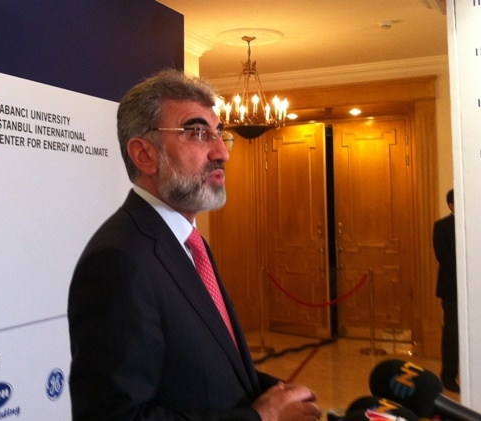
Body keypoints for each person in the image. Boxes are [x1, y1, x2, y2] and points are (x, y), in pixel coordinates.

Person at [67, 69, 320, 421]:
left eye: (219, 134)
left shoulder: (189, 241)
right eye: (198, 133)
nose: (222, 152)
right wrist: (262, 418)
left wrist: (274, 394)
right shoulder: (118, 261)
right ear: (144, 155)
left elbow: (206, 369)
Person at [432, 188, 459, 393]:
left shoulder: (477, 224)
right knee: (452, 332)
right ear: (451, 205)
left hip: (477, 290)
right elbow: (443, 256)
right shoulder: (441, 226)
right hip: (452, 289)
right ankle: (448, 376)